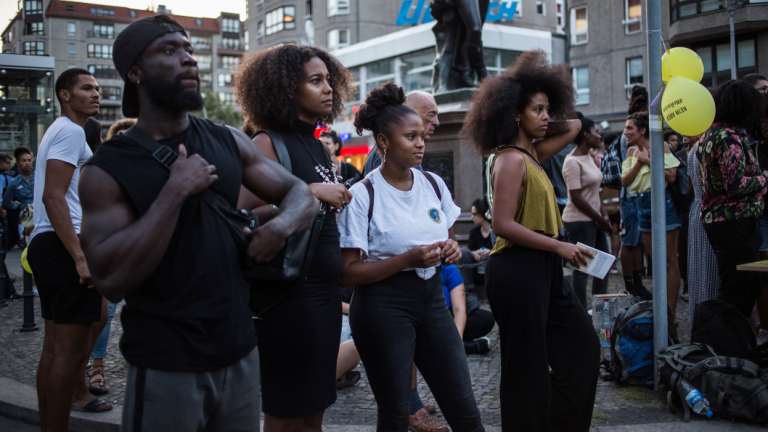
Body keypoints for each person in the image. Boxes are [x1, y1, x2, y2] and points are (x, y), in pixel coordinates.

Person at [79, 16, 318, 432]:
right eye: (169, 51)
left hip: (240, 352)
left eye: (188, 49)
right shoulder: (108, 167)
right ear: (134, 71)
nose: (188, 59)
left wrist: (278, 230)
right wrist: (174, 192)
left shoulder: (226, 139)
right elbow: (110, 278)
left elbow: (300, 194)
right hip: (165, 363)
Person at [462, 50, 599, 432]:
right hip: (517, 269)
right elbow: (502, 224)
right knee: (526, 370)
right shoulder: (509, 159)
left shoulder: (532, 153)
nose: (545, 116)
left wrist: (540, 110)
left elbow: (573, 125)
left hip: (543, 267)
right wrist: (559, 246)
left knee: (583, 350)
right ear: (513, 114)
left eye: (546, 109)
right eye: (537, 110)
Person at [339, 83, 484, 431]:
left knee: (464, 409)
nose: (421, 143)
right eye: (410, 136)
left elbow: (446, 238)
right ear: (384, 143)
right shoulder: (362, 195)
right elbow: (348, 272)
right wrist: (406, 260)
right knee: (394, 415)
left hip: (432, 302)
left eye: (422, 135)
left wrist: (450, 250)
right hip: (382, 308)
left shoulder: (433, 184)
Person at [236, 44, 351, 432]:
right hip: (286, 298)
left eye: (328, 80)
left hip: (323, 295)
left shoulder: (318, 145)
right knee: (286, 412)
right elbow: (240, 216)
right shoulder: (267, 144)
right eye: (315, 81)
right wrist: (311, 191)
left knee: (316, 406)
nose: (328, 89)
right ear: (287, 88)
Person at [27, 68, 112, 432]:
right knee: (69, 353)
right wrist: (79, 255)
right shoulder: (72, 131)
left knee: (53, 351)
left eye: (97, 88)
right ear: (65, 94)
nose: (96, 94)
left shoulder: (58, 131)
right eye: (87, 88)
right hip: (64, 243)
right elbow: (53, 196)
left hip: (50, 243)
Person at [698, 79, 768, 319]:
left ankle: (729, 338)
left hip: (722, 221)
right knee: (740, 287)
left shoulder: (712, 134)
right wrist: (763, 180)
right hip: (734, 221)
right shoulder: (729, 138)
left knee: (735, 283)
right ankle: (728, 341)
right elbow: (735, 185)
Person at [84, 118, 136, 397]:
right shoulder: (103, 173)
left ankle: (138, 349)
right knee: (107, 312)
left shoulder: (154, 169)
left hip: (145, 253)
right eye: (123, 138)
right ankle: (97, 367)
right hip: (114, 253)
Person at [621, 112, 682, 334]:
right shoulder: (631, 151)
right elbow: (625, 180)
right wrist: (639, 161)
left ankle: (671, 314)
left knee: (669, 260)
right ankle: (660, 312)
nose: (625, 132)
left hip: (662, 201)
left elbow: (672, 175)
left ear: (642, 130)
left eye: (629, 128)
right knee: (654, 261)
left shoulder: (662, 146)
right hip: (641, 204)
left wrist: (650, 160)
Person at [601, 86, 651, 300]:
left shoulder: (626, 131)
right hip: (631, 195)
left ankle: (635, 283)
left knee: (634, 242)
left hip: (632, 194)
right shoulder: (630, 135)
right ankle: (633, 284)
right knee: (631, 242)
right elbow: (627, 170)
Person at [562, 116, 611, 308]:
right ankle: (581, 311)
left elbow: (595, 192)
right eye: (595, 132)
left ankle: (599, 309)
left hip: (594, 219)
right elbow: (576, 197)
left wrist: (603, 214)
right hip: (579, 221)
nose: (599, 135)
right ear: (584, 135)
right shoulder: (572, 161)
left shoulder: (589, 156)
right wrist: (600, 219)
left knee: (603, 265)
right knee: (583, 269)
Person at [362, 90, 440, 175]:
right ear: (410, 113)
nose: (437, 122)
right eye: (431, 115)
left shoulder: (397, 152)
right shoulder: (392, 154)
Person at [686, 134, 720, 323]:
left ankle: (701, 316)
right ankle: (710, 318)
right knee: (709, 266)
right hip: (707, 209)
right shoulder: (704, 146)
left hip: (697, 208)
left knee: (700, 267)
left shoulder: (694, 148)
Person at [440, 264, 494, 354]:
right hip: (429, 321)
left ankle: (454, 345)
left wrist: (457, 340)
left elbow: (459, 309)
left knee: (485, 318)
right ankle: (468, 347)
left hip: (449, 317)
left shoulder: (448, 269)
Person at [467, 198, 493, 300]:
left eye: (474, 214)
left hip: (492, 272)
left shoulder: (495, 232)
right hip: (478, 273)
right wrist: (475, 253)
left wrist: (490, 253)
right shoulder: (474, 232)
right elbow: (470, 252)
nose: (471, 217)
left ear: (482, 214)